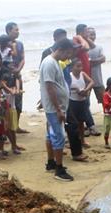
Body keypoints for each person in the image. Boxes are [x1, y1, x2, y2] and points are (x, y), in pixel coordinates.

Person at [41, 38, 76, 182]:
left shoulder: (54, 62)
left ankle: (51, 162)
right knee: (58, 136)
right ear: (60, 49)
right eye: (67, 53)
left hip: (55, 106)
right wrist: (58, 109)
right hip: (55, 108)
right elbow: (49, 86)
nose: (68, 57)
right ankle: (59, 169)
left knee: (51, 135)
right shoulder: (49, 63)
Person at [67, 58, 94, 155]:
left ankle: (82, 140)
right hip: (73, 101)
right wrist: (76, 89)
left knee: (81, 122)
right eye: (77, 66)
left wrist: (86, 90)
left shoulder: (83, 74)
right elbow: (66, 86)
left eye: (81, 66)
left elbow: (91, 82)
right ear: (72, 67)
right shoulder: (69, 76)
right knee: (72, 124)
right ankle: (72, 142)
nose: (79, 68)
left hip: (82, 100)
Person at [87, 28, 107, 109]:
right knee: (85, 101)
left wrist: (90, 62)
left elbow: (103, 59)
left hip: (98, 79)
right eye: (90, 34)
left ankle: (108, 114)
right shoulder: (84, 48)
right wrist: (96, 61)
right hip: (87, 80)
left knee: (104, 99)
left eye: (94, 34)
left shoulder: (98, 47)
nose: (92, 36)